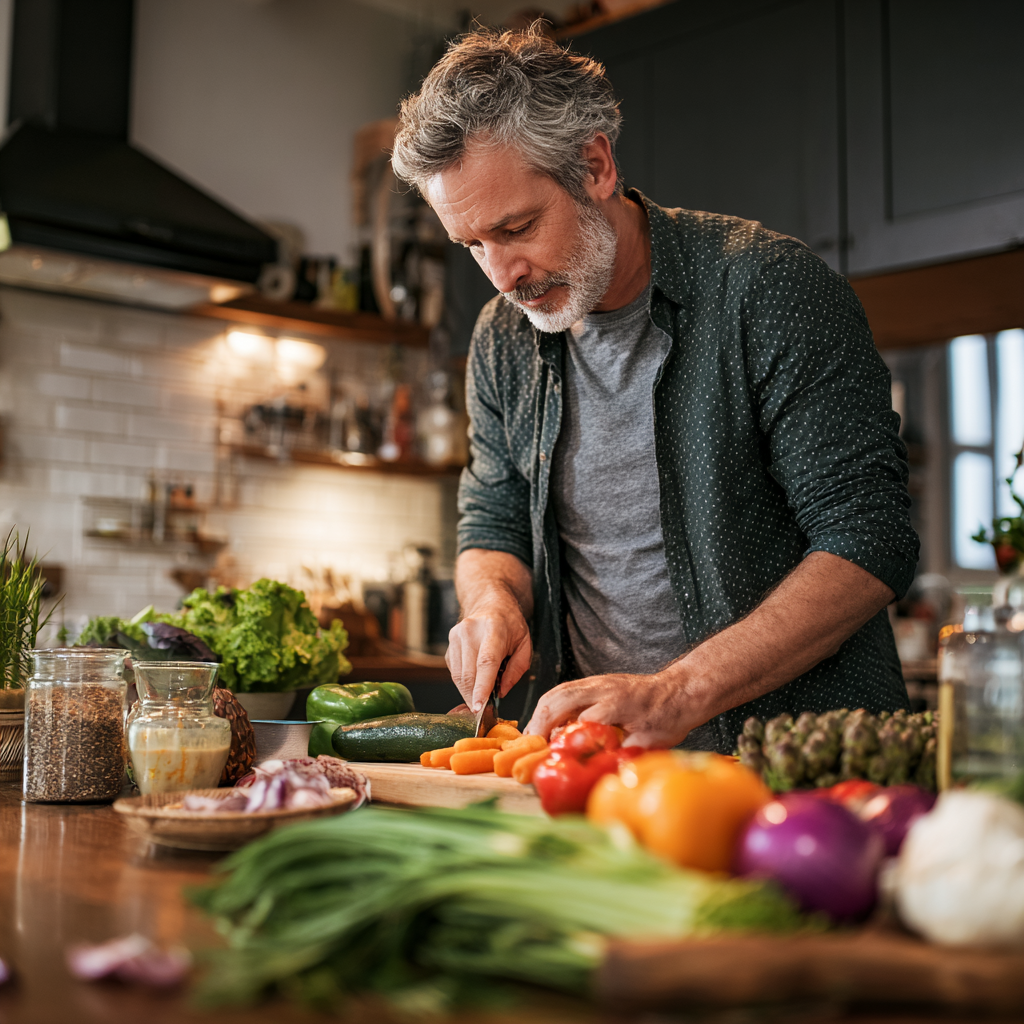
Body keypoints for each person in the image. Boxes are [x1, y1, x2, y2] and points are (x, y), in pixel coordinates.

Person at [390, 26, 918, 752]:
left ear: (595, 165)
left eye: (517, 227)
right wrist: (491, 602)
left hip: (792, 767)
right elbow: (493, 518)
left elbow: (870, 541)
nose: (503, 274)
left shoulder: (769, 291)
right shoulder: (501, 338)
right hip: (593, 769)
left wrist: (678, 693)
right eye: (473, 245)